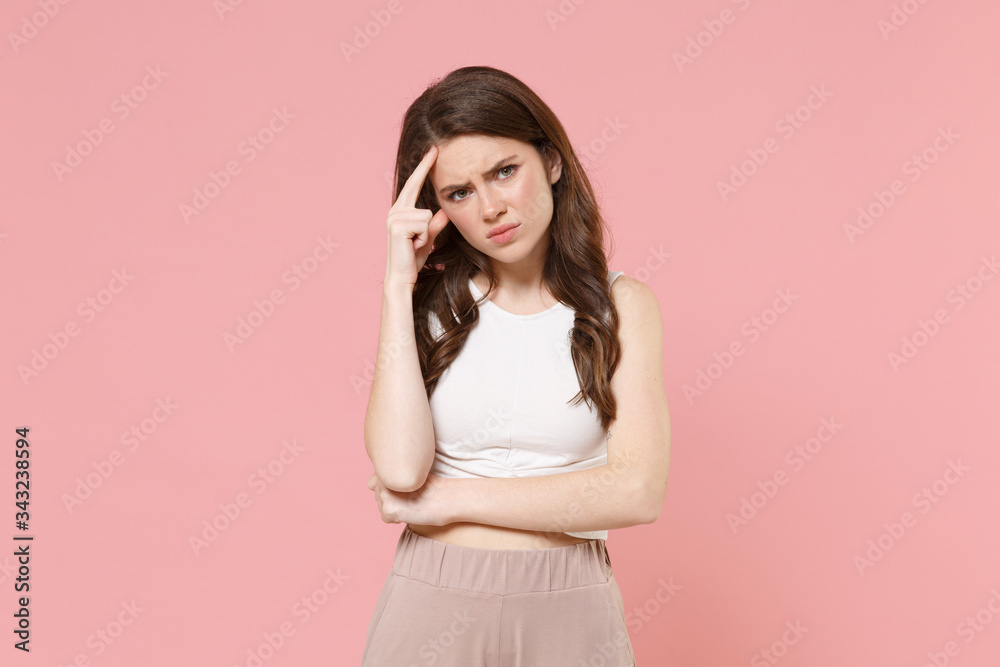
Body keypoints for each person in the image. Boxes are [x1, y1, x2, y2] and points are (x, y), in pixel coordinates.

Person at [362, 65, 671, 666]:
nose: (492, 208)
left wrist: (446, 501)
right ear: (437, 209)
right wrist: (398, 285)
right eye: (459, 193)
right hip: (432, 597)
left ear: (551, 162)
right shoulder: (428, 306)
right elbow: (401, 470)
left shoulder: (622, 306)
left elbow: (637, 492)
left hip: (571, 599)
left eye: (505, 171)